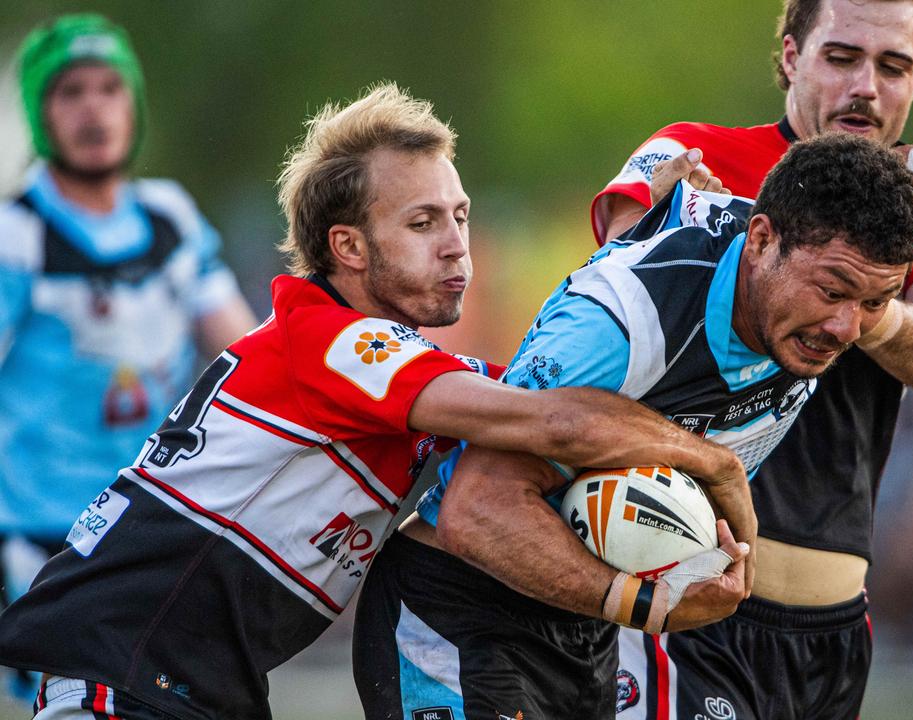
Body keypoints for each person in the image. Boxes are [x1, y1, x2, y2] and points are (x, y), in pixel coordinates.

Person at [0, 82, 758, 720]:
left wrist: (637, 246)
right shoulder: (329, 342)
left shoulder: (393, 362)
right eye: (422, 223)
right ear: (349, 248)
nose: (457, 243)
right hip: (120, 673)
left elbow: (556, 379)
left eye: (460, 216)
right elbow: (554, 415)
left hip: (181, 686)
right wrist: (714, 464)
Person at [351, 133, 913, 719]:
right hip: (460, 610)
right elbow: (474, 510)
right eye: (832, 291)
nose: (845, 328)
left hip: (589, 632)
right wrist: (645, 599)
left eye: (875, 303)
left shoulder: (802, 312)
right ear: (761, 241)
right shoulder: (623, 319)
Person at [589, 1, 913, 717]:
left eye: (892, 66)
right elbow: (612, 271)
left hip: (833, 632)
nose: (865, 87)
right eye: (841, 58)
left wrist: (857, 290)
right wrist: (742, 247)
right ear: (790, 55)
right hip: (684, 605)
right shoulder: (692, 152)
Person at [0, 14, 258, 701]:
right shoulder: (16, 236)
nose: (93, 108)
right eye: (71, 91)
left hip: (153, 528)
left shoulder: (169, 219)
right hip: (45, 547)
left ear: (133, 105)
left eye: (111, 88)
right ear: (40, 112)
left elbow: (246, 359)